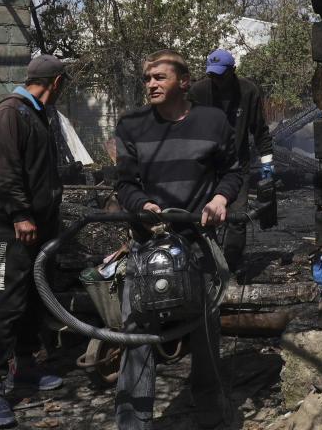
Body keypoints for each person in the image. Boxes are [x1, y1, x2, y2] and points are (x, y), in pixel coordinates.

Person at [114, 49, 243, 430]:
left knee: (205, 332)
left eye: (160, 78)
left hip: (198, 245)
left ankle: (209, 414)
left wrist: (220, 199)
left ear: (184, 81)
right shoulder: (131, 124)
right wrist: (142, 205)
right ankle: (133, 421)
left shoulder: (213, 121)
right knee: (136, 334)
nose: (151, 85)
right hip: (147, 248)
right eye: (147, 79)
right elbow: (124, 183)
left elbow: (233, 172)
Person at [0, 54, 70, 428]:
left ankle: (26, 366)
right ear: (58, 82)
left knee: (34, 297)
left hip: (40, 226)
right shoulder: (10, 113)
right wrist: (20, 213)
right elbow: (4, 171)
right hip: (16, 227)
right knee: (9, 302)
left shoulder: (37, 114)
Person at [187, 49, 274, 277]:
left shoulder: (248, 91)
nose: (216, 80)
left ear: (233, 70)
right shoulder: (199, 92)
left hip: (237, 166)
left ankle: (229, 268)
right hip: (205, 166)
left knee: (236, 218)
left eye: (221, 75)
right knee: (202, 217)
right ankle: (205, 268)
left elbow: (260, 131)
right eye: (212, 75)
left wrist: (268, 168)